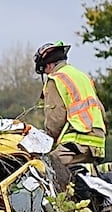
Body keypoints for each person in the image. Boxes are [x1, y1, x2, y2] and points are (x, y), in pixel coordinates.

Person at [34, 42, 106, 170]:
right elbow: (101, 111)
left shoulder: (56, 79)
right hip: (98, 141)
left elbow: (55, 120)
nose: (46, 75)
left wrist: (46, 141)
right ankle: (107, 171)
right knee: (78, 177)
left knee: (47, 169)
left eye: (44, 70)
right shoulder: (82, 76)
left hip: (78, 139)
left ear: (50, 65)